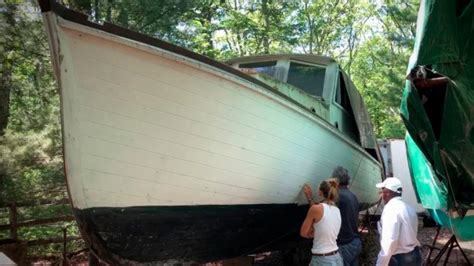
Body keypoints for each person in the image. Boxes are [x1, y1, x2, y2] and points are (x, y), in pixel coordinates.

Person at [304, 167, 362, 266]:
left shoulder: (338, 197)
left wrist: (309, 198)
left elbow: (321, 211)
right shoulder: (353, 196)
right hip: (355, 242)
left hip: (344, 245)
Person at [375, 177, 422, 266]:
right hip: (414, 254)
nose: (381, 194)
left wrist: (380, 264)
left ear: (388, 192)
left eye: (382, 191)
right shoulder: (409, 208)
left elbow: (390, 241)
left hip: (400, 259)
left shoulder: (391, 210)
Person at [301, 179, 343, 266]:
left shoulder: (316, 209)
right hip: (336, 257)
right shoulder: (337, 210)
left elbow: (303, 233)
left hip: (322, 259)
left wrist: (313, 233)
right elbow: (323, 220)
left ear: (320, 192)